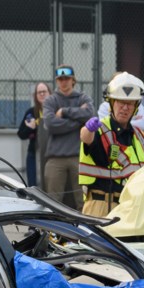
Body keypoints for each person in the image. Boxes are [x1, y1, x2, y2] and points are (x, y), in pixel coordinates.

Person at [78, 72, 144, 217]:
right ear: (112, 103)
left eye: (130, 103)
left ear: (136, 106)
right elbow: (86, 138)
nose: (125, 108)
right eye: (120, 102)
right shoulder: (100, 129)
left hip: (130, 208)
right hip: (100, 208)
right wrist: (87, 129)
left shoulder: (139, 135)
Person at [42, 65, 95, 210]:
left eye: (67, 79)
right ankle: (54, 231)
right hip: (55, 158)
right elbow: (50, 124)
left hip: (79, 156)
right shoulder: (50, 100)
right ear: (57, 81)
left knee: (83, 199)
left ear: (73, 80)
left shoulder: (83, 97)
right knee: (53, 200)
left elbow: (90, 115)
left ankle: (85, 230)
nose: (63, 82)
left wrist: (65, 111)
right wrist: (78, 121)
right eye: (60, 79)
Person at [17, 82, 49, 186]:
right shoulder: (31, 112)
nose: (42, 94)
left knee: (49, 184)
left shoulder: (54, 111)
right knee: (33, 185)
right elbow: (21, 134)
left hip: (51, 154)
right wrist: (30, 128)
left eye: (44, 91)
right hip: (34, 153)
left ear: (50, 93)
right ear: (35, 96)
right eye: (39, 92)